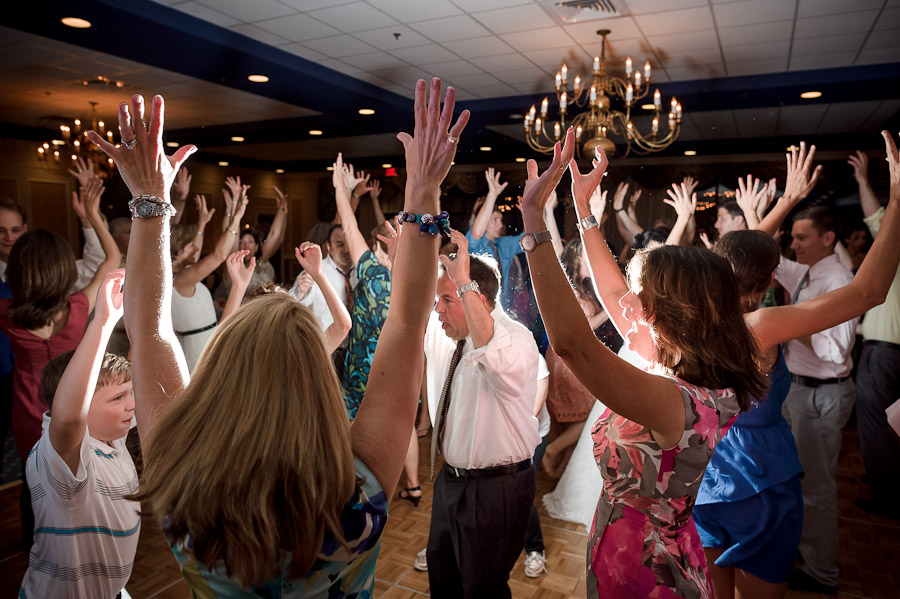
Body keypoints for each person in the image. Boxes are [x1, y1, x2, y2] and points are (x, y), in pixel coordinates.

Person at [87, 81, 468, 595]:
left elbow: (149, 332)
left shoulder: (183, 493)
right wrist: (423, 191)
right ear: (317, 380)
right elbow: (406, 322)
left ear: (222, 380)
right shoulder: (360, 497)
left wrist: (150, 201)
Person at [519, 128, 768, 599]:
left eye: (641, 296)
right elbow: (613, 291)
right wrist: (583, 210)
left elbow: (572, 342)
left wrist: (534, 223)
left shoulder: (672, 398)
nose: (625, 304)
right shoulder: (697, 369)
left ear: (673, 312)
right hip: (642, 543)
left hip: (643, 567)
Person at [691, 132, 900, 599]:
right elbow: (869, 292)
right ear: (768, 278)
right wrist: (898, 201)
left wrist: (785, 201)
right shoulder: (762, 325)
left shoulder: (699, 318)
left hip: (709, 473)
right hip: (758, 477)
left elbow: (737, 257)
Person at [753, 143, 855, 594]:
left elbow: (835, 352)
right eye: (792, 238)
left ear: (828, 238)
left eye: (802, 239)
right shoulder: (809, 271)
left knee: (817, 486)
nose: (792, 246)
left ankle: (822, 572)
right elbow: (756, 255)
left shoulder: (840, 281)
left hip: (823, 393)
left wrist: (795, 322)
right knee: (799, 481)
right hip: (798, 389)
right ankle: (803, 551)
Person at [427, 229, 541, 598]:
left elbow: (497, 363)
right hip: (452, 482)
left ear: (475, 297)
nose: (437, 309)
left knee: (483, 590)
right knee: (442, 579)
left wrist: (462, 281)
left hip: (496, 489)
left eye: (447, 298)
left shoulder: (516, 339)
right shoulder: (453, 336)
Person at [20, 270, 140, 599]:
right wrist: (102, 323)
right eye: (119, 398)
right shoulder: (65, 458)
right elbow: (71, 417)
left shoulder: (110, 434)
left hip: (112, 591)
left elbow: (141, 362)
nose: (133, 405)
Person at [847, 148, 900, 519]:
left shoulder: (894, 242)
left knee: (877, 423)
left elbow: (875, 216)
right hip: (886, 349)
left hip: (884, 351)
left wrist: (865, 180)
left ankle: (886, 497)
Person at [331, 155, 394, 420]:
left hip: (363, 370)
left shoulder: (375, 277)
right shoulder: (411, 282)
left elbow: (348, 226)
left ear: (378, 245)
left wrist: (340, 189)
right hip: (393, 371)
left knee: (351, 432)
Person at [170, 194, 248, 372]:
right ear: (179, 250)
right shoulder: (181, 279)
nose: (196, 248)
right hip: (199, 349)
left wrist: (202, 224)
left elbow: (195, 255)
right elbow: (219, 256)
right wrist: (236, 219)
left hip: (205, 342)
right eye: (190, 245)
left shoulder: (179, 275)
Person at [465, 168, 523, 311]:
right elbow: (476, 232)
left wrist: (529, 213)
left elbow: (530, 239)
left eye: (500, 220)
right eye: (495, 220)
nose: (500, 224)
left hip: (504, 309)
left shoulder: (505, 243)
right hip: (479, 308)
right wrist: (492, 195)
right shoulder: (475, 245)